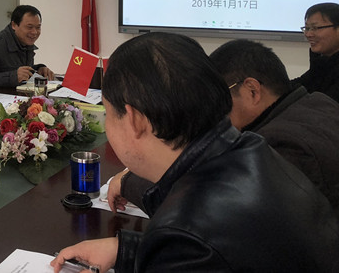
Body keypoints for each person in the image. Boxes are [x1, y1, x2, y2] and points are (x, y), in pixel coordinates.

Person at [52, 33, 338, 273]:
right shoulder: (251, 149)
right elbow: (240, 252)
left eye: (108, 112)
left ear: (135, 119)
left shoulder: (188, 233)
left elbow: (206, 244)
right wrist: (128, 250)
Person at [110, 38, 339, 220]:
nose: (212, 106)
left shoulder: (280, 145)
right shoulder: (317, 103)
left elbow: (209, 215)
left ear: (252, 90)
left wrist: (130, 183)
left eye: (220, 94)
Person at [0, 5, 55, 89]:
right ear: (14, 25)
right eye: (29, 27)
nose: (34, 32)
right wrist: (12, 77)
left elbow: (18, 70)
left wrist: (39, 69)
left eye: (38, 27)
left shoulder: (25, 43)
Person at [293, 2, 339, 103]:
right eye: (307, 28)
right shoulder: (322, 60)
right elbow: (302, 85)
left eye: (315, 28)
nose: (308, 34)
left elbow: (326, 105)